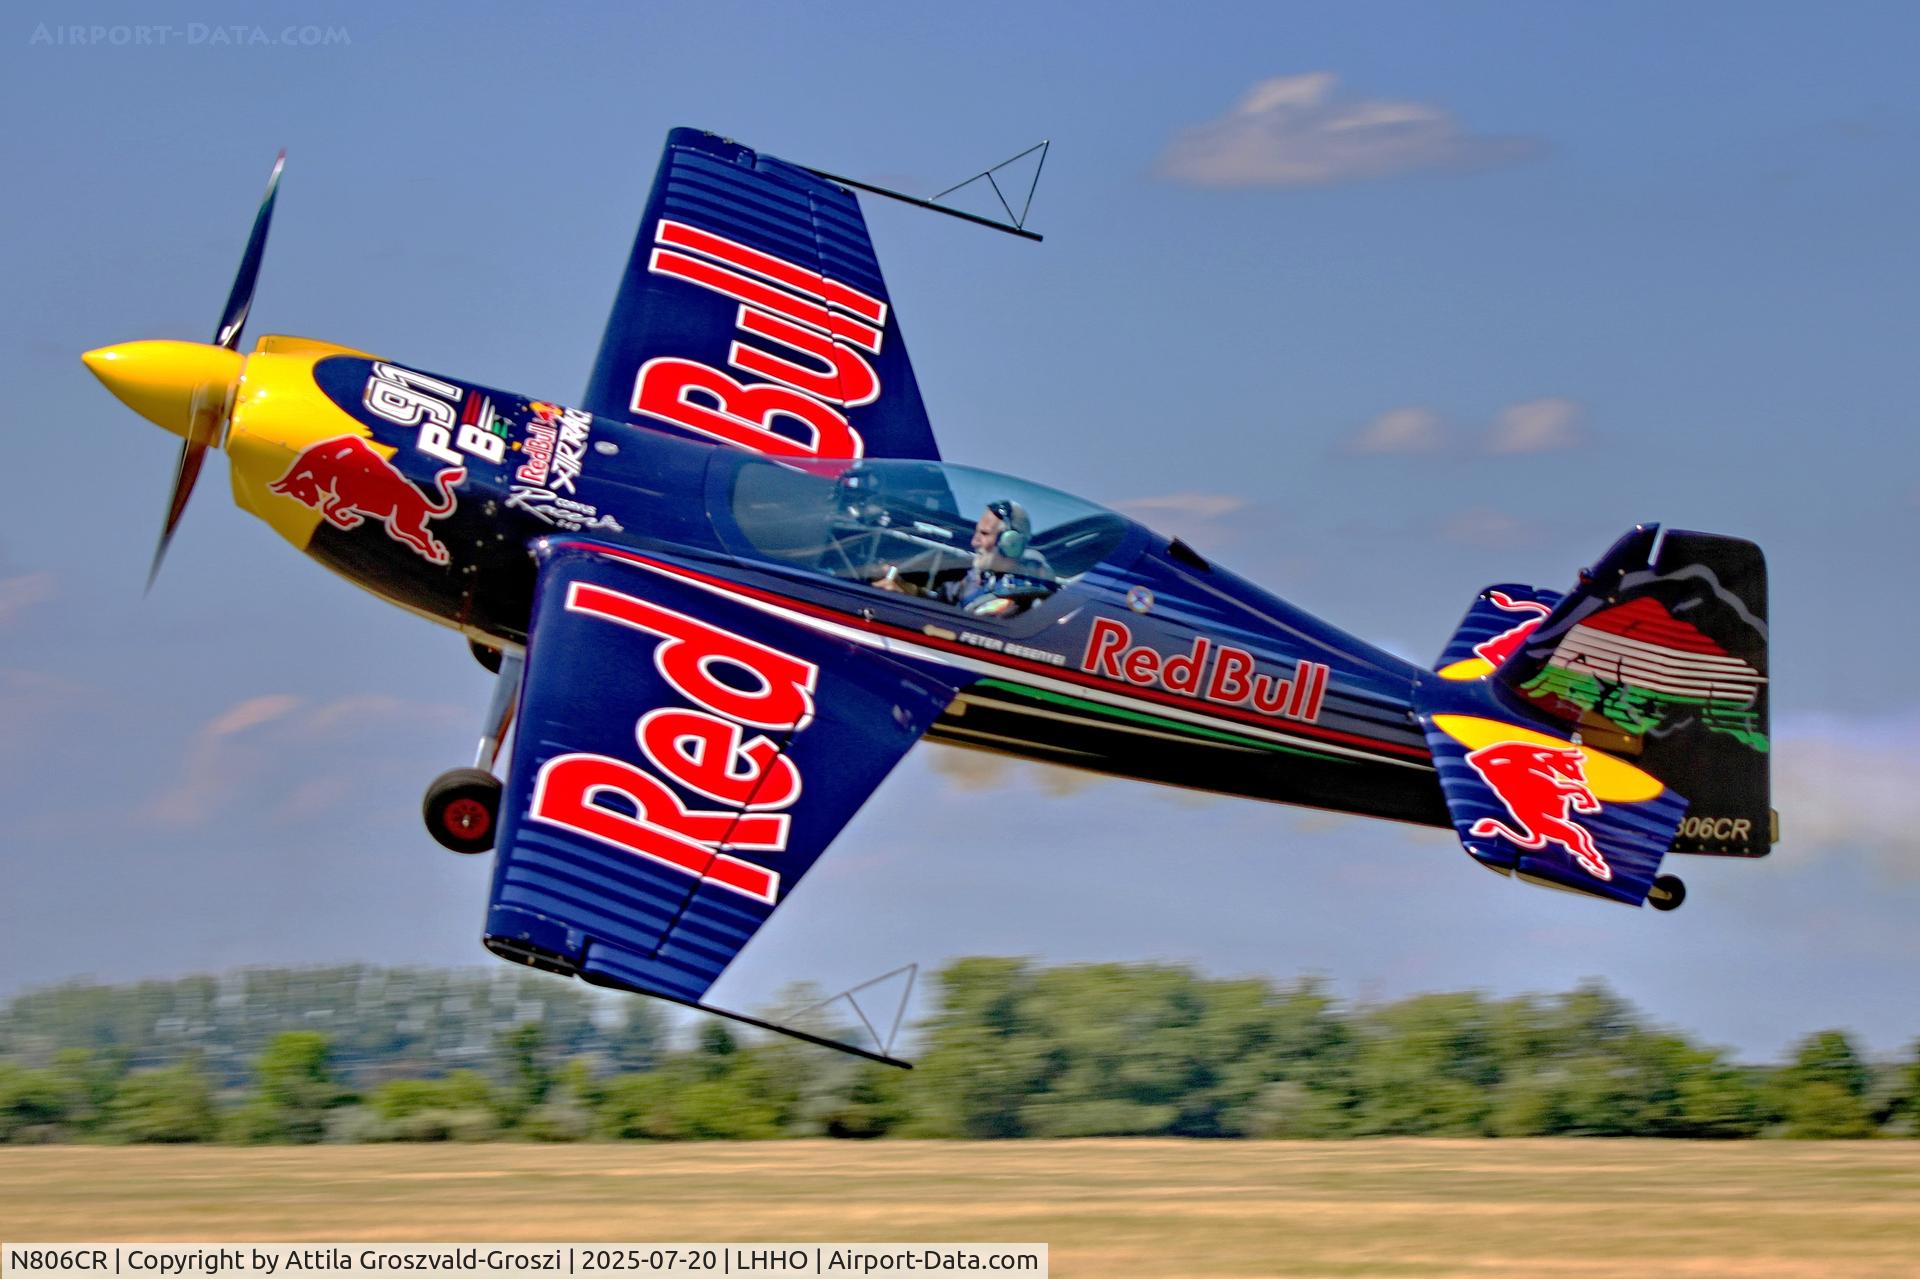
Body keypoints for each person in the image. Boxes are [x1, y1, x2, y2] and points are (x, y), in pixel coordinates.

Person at [875, 499, 1056, 617]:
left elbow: (964, 627)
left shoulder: (1024, 595)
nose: (974, 542)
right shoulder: (982, 578)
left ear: (1010, 543)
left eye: (984, 534)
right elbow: (945, 601)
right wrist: (908, 591)